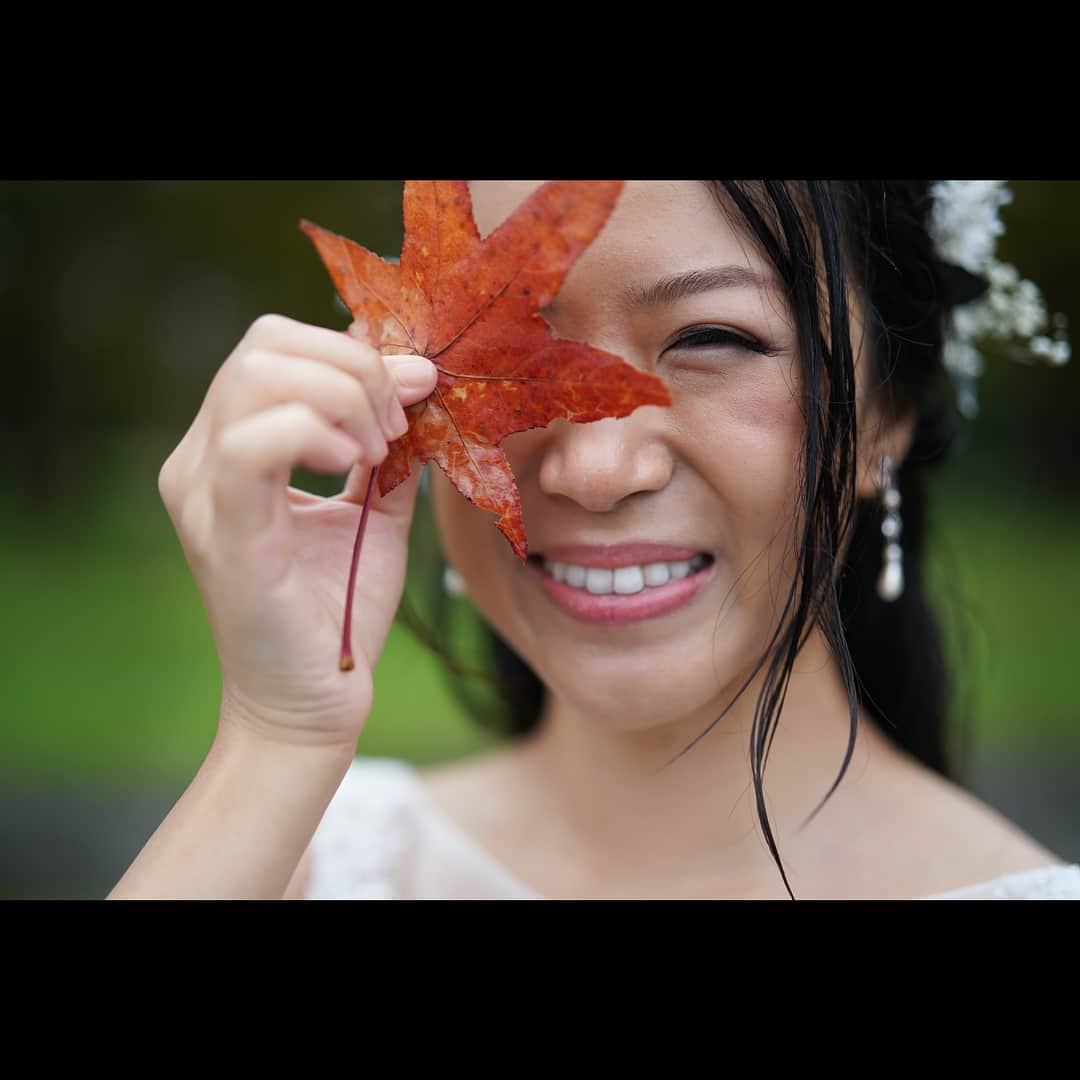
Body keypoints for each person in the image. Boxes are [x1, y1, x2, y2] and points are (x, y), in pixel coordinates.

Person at [109, 180, 1080, 901]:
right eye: (517, 353)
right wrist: (277, 739)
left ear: (890, 414)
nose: (595, 470)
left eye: (715, 339)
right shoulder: (310, 858)